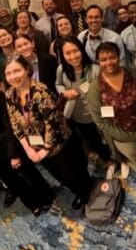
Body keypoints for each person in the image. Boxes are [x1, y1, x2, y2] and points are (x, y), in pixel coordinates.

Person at [4, 55, 94, 209]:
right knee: (61, 177)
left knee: (75, 173)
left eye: (17, 71)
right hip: (37, 147)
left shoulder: (40, 91)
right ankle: (79, 192)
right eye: (9, 73)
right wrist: (29, 150)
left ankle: (88, 193)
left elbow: (53, 123)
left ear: (26, 69)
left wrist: (44, 150)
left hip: (60, 144)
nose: (13, 76)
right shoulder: (10, 94)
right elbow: (15, 124)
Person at [87, 42, 136, 189]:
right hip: (120, 133)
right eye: (103, 59)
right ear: (98, 61)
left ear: (119, 56)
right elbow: (100, 121)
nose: (109, 62)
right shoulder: (95, 88)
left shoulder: (133, 74)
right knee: (133, 155)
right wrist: (124, 136)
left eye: (112, 57)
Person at [55, 36, 113, 169]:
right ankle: (107, 159)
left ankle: (118, 156)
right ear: (62, 55)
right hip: (79, 115)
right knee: (93, 140)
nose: (73, 56)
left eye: (75, 51)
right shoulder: (61, 70)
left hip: (100, 113)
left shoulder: (95, 69)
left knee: (109, 136)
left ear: (81, 50)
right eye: (67, 53)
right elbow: (58, 84)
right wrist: (64, 93)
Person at [0, 91, 53, 216]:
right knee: (11, 180)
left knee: (28, 171)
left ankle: (46, 194)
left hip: (8, 145)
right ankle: (32, 203)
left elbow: (9, 125)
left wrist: (13, 154)